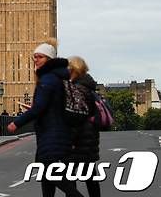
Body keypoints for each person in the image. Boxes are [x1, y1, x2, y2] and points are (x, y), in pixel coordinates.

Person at [7, 39, 84, 197]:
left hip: (52, 135)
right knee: (46, 176)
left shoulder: (48, 79)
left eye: (40, 57)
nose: (35, 60)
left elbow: (39, 107)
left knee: (52, 174)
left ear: (49, 59)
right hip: (60, 133)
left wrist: (17, 122)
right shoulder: (61, 78)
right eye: (34, 57)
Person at [67, 56, 100, 197]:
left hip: (79, 139)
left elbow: (76, 116)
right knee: (90, 177)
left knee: (69, 176)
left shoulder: (77, 89)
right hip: (90, 137)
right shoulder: (90, 87)